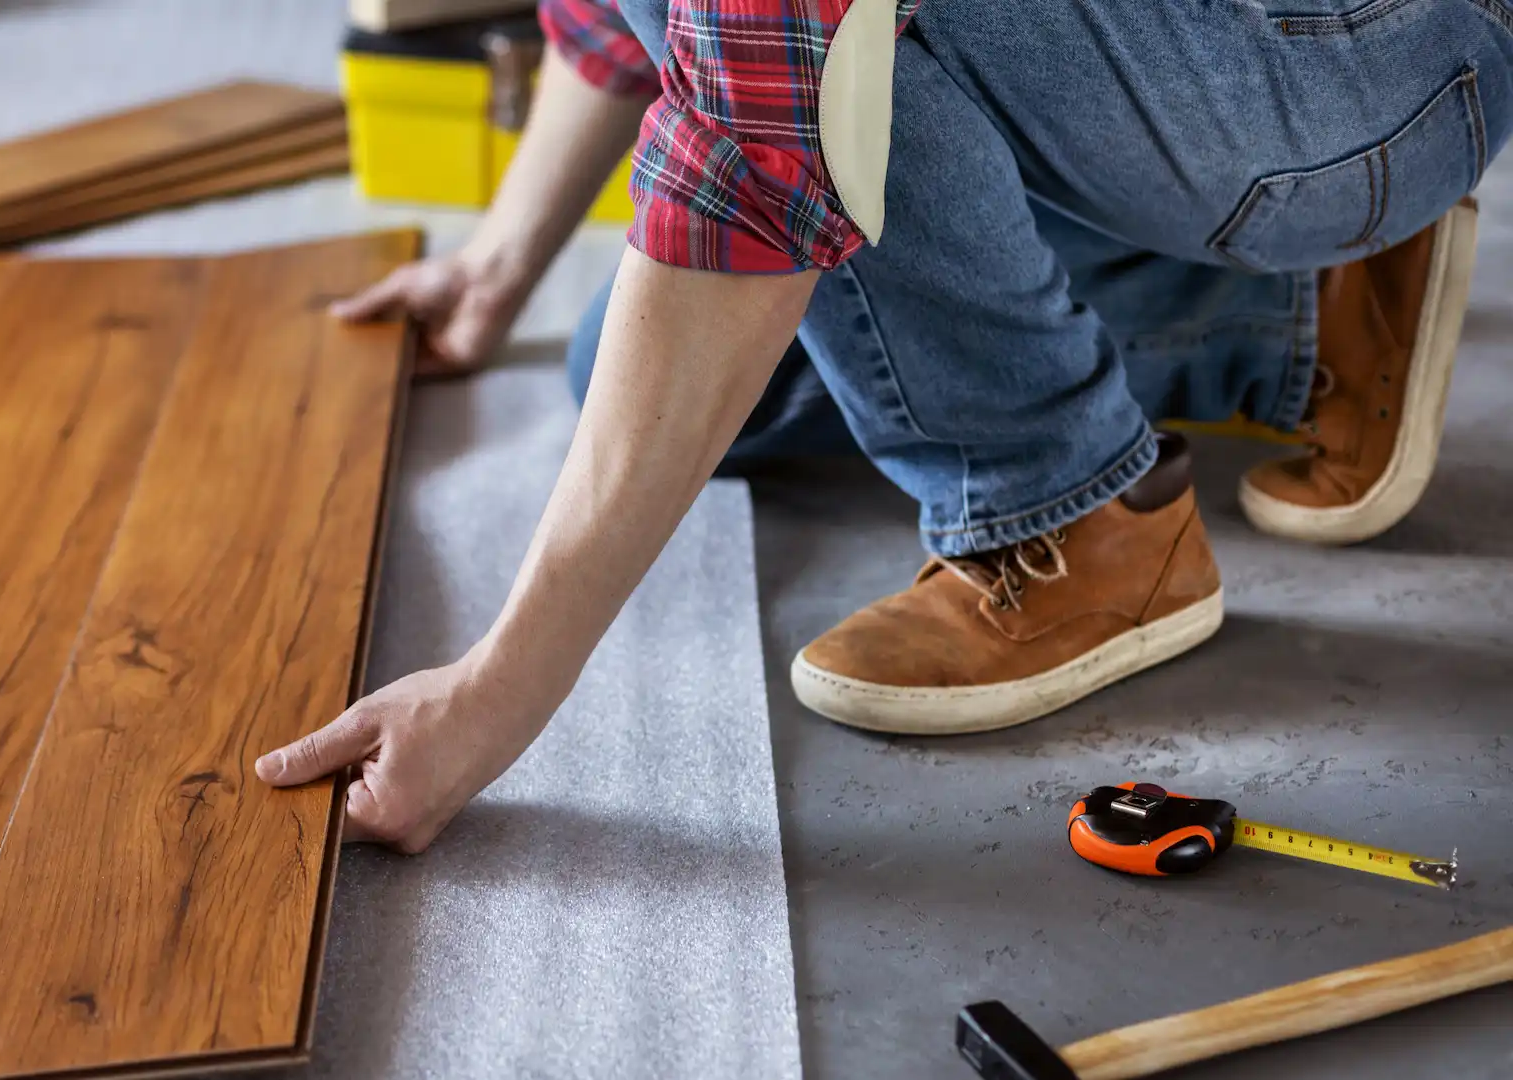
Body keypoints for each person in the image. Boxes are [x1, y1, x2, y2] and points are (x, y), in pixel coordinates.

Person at [258, 0, 1507, 852]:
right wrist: (494, 267)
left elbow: (768, 136)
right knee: (629, 374)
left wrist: (495, 693)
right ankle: (1283, 310)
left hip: (1367, 57)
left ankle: (1073, 505)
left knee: (846, 50)